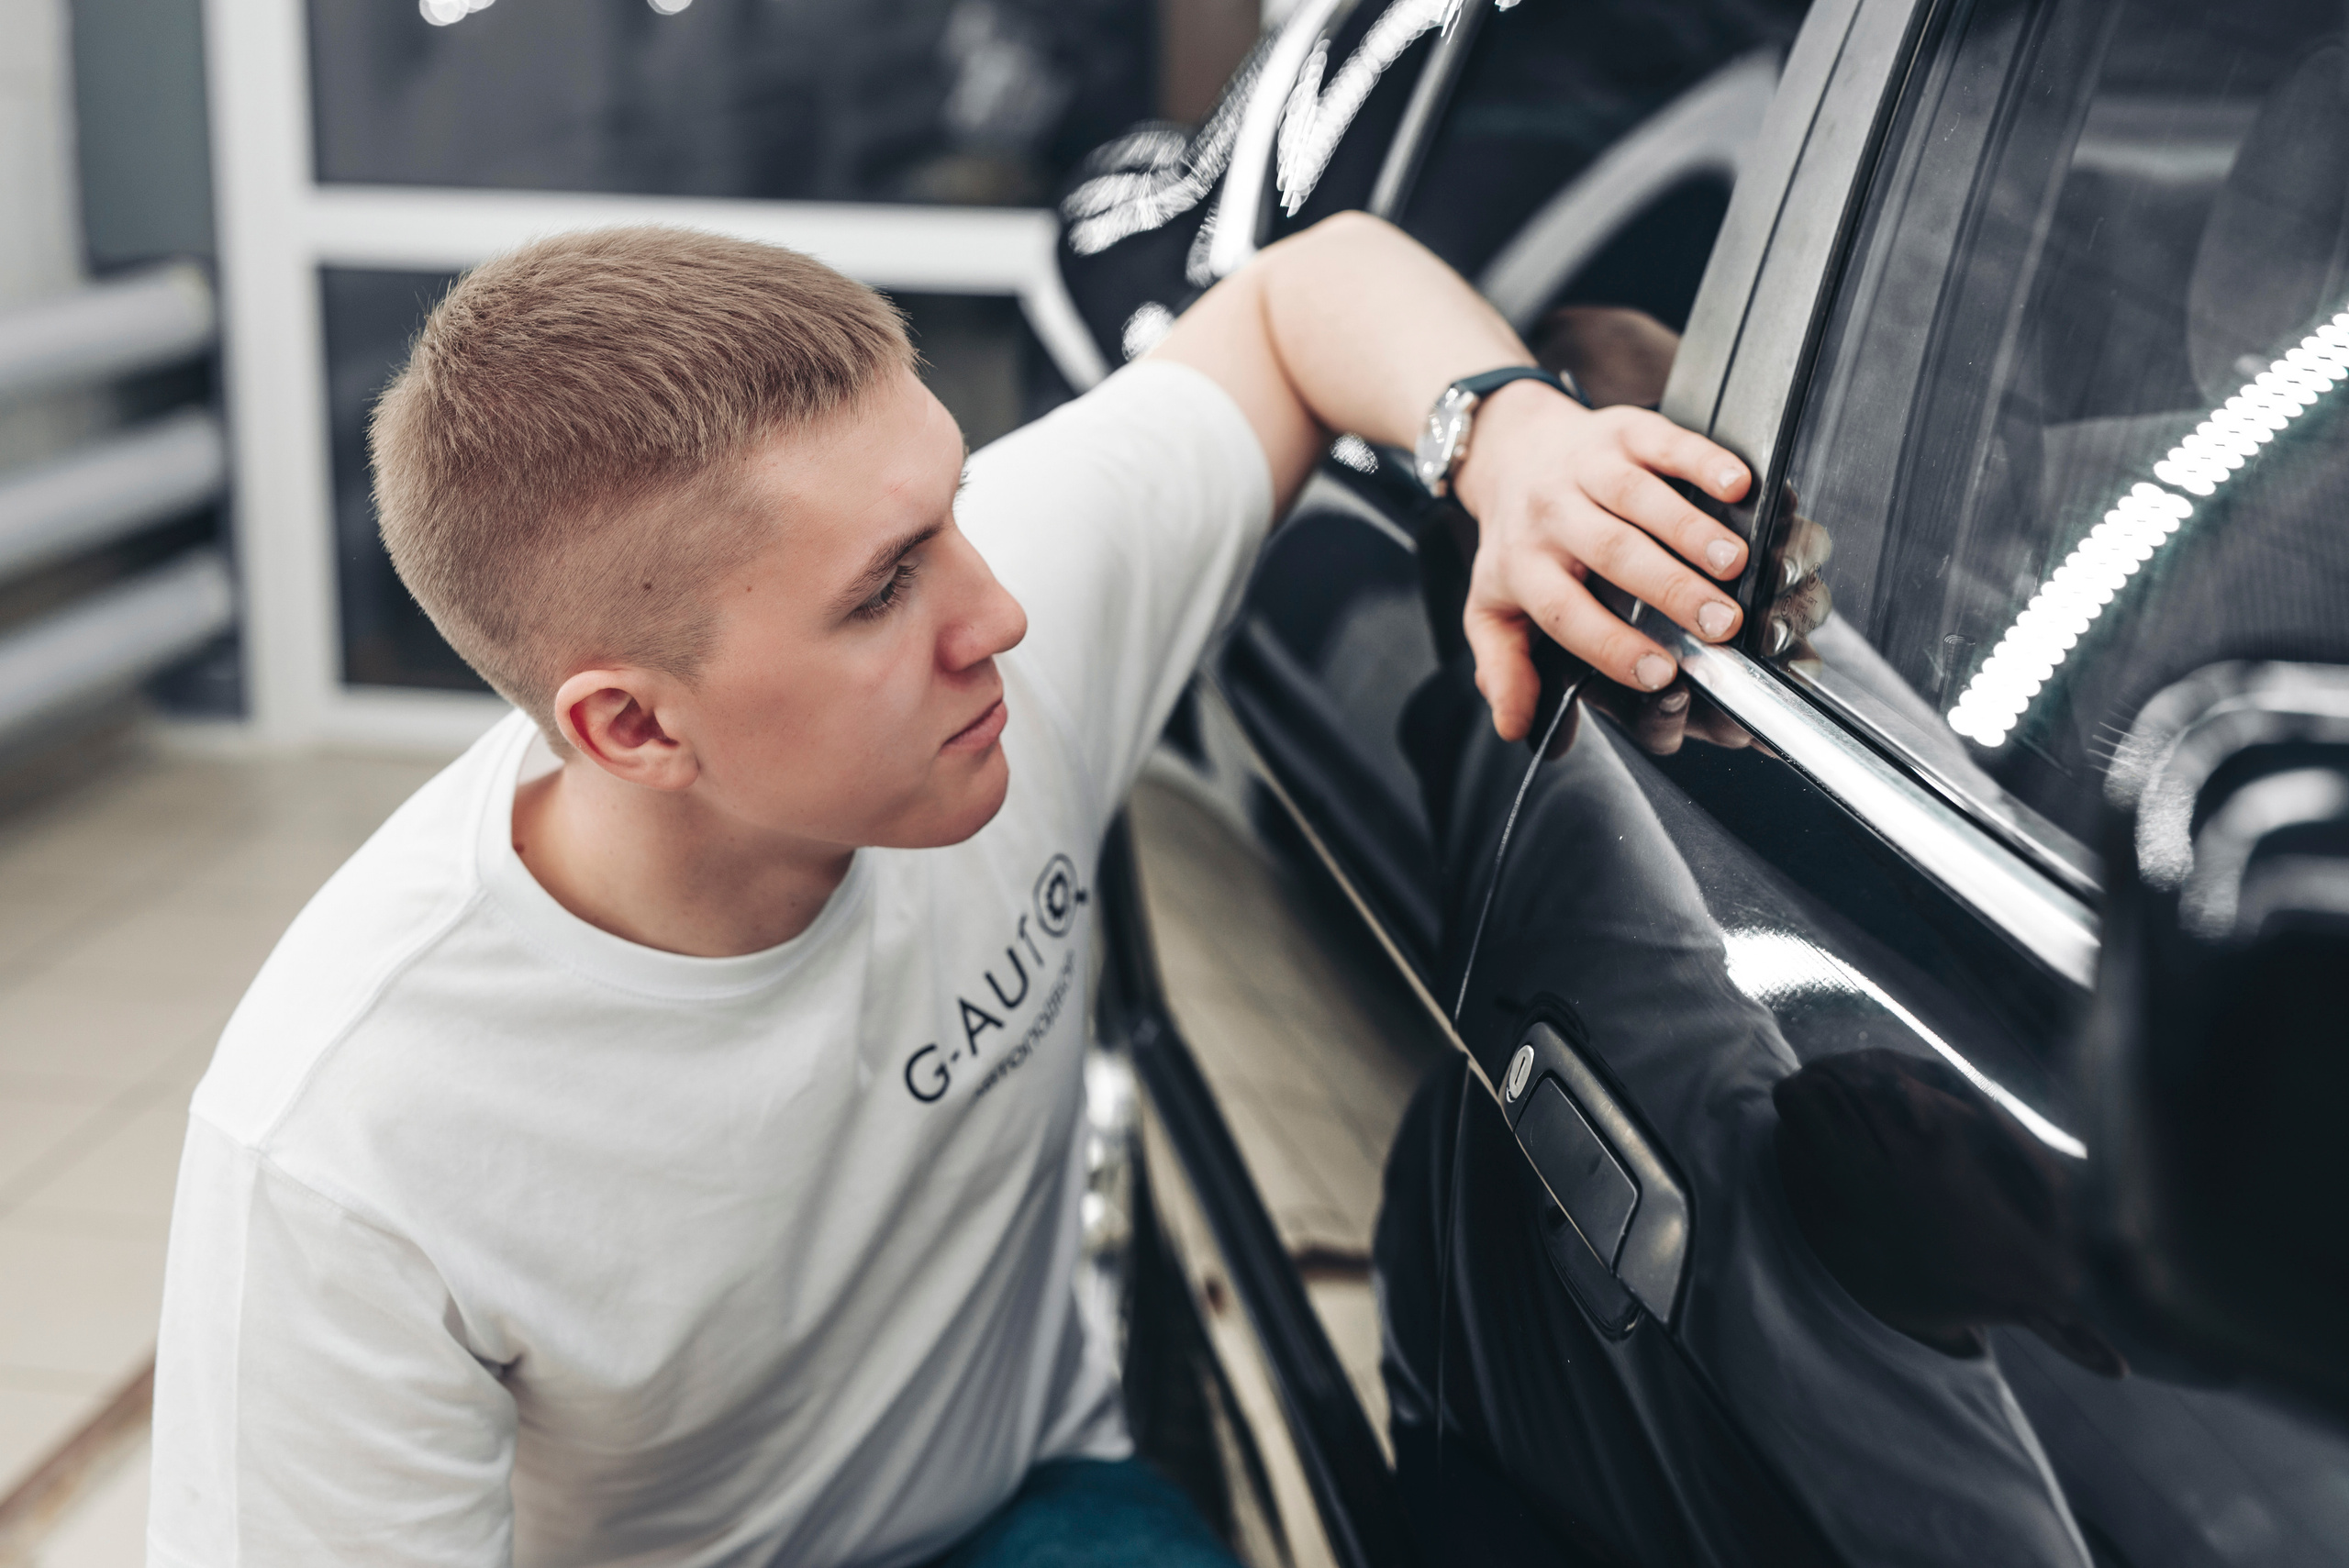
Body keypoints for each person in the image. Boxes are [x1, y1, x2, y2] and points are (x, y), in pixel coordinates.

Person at [148, 214, 1753, 1567]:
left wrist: (1516, 435)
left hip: (1020, 1516)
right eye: (880, 591)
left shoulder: (967, 656)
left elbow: (1299, 293)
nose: (998, 614)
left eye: (953, 510)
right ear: (632, 725)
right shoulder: (346, 1141)